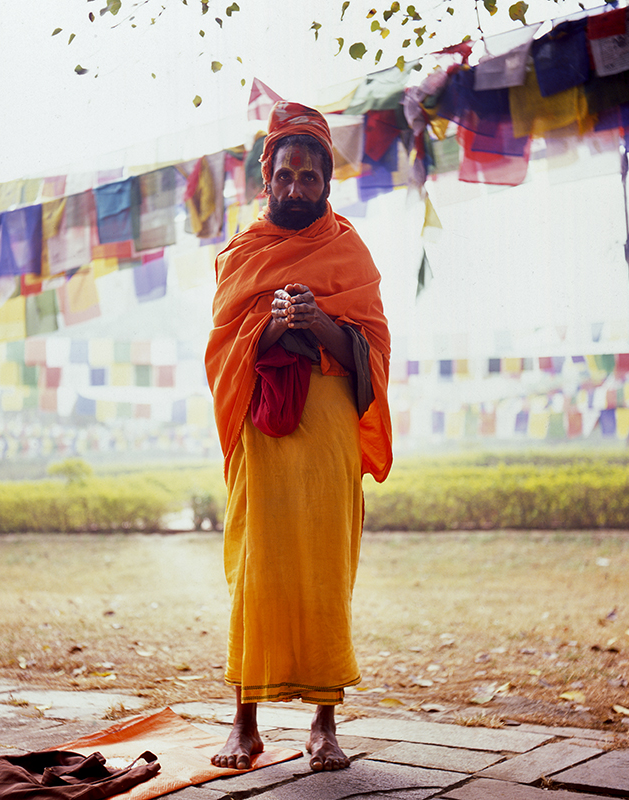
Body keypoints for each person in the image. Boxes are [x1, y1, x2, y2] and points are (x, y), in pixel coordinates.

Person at [204, 101, 393, 773]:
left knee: (325, 570)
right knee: (257, 566)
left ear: (326, 185)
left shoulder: (348, 252)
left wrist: (318, 325)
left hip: (330, 432)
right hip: (263, 433)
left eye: (309, 178)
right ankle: (244, 724)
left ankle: (324, 725)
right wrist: (272, 329)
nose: (295, 189)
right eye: (285, 176)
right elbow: (224, 349)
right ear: (267, 180)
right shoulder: (242, 255)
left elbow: (370, 348)